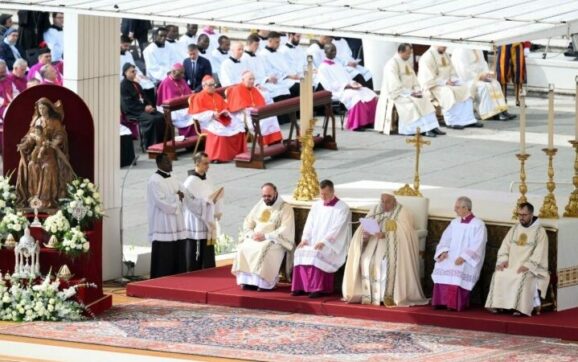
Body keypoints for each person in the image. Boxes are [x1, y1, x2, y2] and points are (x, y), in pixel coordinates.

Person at [343, 192, 428, 306]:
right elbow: (365, 224)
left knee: (383, 263)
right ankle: (370, 296)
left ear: (394, 201)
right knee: (365, 260)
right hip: (373, 244)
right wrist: (365, 233)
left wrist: (386, 234)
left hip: (394, 246)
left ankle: (386, 296)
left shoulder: (403, 212)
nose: (384, 204)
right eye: (382, 201)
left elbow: (408, 232)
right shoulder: (376, 209)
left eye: (387, 202)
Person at [485, 202, 549, 316]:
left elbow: (540, 253)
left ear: (531, 214)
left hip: (531, 268)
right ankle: (499, 305)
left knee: (522, 277)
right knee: (499, 274)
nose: (521, 217)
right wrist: (503, 260)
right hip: (511, 265)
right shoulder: (514, 229)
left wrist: (528, 266)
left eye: (524, 215)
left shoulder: (540, 232)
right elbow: (504, 246)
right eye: (519, 214)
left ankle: (520, 308)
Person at [292, 180, 350, 298]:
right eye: (321, 194)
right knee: (299, 251)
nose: (323, 197)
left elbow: (337, 228)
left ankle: (316, 288)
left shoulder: (342, 207)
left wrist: (324, 242)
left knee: (316, 254)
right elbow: (309, 223)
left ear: (333, 191)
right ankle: (301, 286)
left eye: (326, 194)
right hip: (314, 241)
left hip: (331, 244)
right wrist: (305, 239)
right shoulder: (316, 205)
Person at [232, 182, 295, 290]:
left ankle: (263, 283)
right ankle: (247, 281)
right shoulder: (260, 204)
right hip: (256, 237)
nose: (266, 198)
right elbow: (248, 222)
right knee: (243, 247)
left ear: (275, 193)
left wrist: (266, 236)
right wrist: (251, 234)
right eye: (264, 196)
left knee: (263, 249)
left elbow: (285, 228)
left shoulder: (285, 208)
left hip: (273, 239)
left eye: (269, 196)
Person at [15, 97, 75, 208]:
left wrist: (56, 141)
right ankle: (34, 198)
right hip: (37, 153)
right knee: (32, 165)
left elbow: (60, 134)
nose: (41, 110)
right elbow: (30, 137)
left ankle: (47, 200)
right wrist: (24, 144)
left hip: (50, 153)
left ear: (48, 108)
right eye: (39, 108)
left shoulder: (55, 122)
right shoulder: (36, 121)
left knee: (48, 168)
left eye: (43, 108)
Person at [374, 44, 444, 137]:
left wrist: (417, 90)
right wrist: (409, 93)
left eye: (410, 54)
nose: (409, 56)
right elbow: (393, 84)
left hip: (409, 92)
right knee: (413, 104)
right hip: (397, 94)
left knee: (425, 99)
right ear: (401, 52)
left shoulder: (405, 62)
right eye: (407, 54)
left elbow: (413, 79)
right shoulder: (391, 64)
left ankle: (432, 126)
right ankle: (422, 129)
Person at [431, 196, 487, 311]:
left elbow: (478, 244)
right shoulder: (454, 222)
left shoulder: (478, 224)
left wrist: (464, 257)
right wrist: (443, 252)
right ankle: (440, 301)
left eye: (457, 207)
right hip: (451, 255)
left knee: (459, 267)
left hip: (467, 258)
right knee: (442, 264)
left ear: (465, 208)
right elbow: (445, 239)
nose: (455, 209)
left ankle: (453, 303)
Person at [147, 153, 198, 279]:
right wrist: (177, 197)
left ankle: (178, 275)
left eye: (170, 161)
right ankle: (162, 277)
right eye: (167, 162)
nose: (170, 164)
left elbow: (184, 190)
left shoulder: (173, 176)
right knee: (166, 251)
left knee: (178, 247)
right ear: (159, 164)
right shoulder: (154, 181)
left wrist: (195, 197)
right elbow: (161, 202)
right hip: (163, 222)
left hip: (176, 220)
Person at [418, 46, 481, 129]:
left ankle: (468, 120)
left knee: (465, 88)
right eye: (443, 47)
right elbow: (428, 78)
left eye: (446, 47)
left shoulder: (445, 54)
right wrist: (444, 82)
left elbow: (452, 71)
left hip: (449, 83)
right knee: (448, 92)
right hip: (435, 86)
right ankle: (452, 121)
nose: (445, 49)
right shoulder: (427, 57)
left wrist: (454, 80)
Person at [318, 43, 377, 131]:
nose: (334, 52)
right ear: (325, 52)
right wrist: (346, 85)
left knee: (369, 92)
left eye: (335, 50)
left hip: (348, 87)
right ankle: (357, 124)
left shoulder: (337, 64)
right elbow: (328, 86)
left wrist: (354, 83)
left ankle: (369, 121)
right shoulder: (322, 68)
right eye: (332, 50)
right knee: (356, 96)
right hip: (338, 92)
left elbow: (347, 77)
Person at [188, 75, 246, 162]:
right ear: (203, 86)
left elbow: (225, 107)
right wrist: (212, 114)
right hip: (207, 122)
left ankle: (238, 153)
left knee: (238, 126)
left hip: (221, 119)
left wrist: (225, 112)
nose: (212, 87)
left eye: (213, 85)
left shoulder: (217, 96)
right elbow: (197, 115)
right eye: (210, 85)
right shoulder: (198, 97)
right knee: (220, 130)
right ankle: (218, 157)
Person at [182, 152, 222, 270]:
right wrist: (206, 205)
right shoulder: (189, 182)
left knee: (207, 245)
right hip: (196, 218)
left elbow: (211, 195)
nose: (208, 166)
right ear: (197, 163)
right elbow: (189, 202)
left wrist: (215, 200)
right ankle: (192, 269)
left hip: (207, 216)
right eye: (205, 164)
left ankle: (208, 267)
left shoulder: (208, 178)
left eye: (208, 163)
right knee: (193, 244)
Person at [451, 48, 515, 121]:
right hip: (468, 80)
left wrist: (487, 73)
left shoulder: (477, 48)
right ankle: (487, 113)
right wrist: (479, 76)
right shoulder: (461, 50)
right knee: (485, 86)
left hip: (480, 77)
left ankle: (501, 110)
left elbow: (483, 63)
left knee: (495, 83)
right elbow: (463, 70)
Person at [227, 71, 283, 145]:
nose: (252, 81)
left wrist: (263, 91)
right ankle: (265, 143)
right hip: (245, 115)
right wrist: (252, 110)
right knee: (262, 122)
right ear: (243, 80)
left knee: (272, 118)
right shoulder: (237, 89)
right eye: (250, 79)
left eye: (253, 79)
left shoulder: (254, 89)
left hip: (257, 112)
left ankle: (276, 141)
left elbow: (262, 102)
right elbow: (238, 107)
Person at [120, 63, 165, 149]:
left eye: (135, 71)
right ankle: (150, 144)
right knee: (152, 119)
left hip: (144, 109)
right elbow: (128, 103)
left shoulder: (136, 84)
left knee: (161, 116)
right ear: (125, 73)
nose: (134, 73)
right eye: (132, 71)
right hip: (134, 111)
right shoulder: (123, 85)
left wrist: (149, 106)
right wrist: (144, 108)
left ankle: (162, 142)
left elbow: (145, 97)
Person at [242, 34, 291, 100]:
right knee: (268, 94)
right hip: (255, 84)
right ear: (249, 44)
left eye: (258, 45)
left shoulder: (259, 57)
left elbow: (265, 71)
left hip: (264, 81)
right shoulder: (243, 58)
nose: (257, 47)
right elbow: (246, 76)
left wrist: (269, 78)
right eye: (255, 45)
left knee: (284, 90)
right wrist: (257, 84)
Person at [156, 63, 195, 137]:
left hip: (184, 106)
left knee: (194, 113)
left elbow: (188, 92)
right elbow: (164, 101)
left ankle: (193, 141)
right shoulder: (165, 83)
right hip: (173, 109)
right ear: (173, 72)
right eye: (181, 73)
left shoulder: (182, 80)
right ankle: (186, 138)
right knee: (188, 115)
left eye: (183, 73)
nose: (183, 75)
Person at [258, 32, 300, 98]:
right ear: (270, 41)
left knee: (303, 84)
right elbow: (269, 72)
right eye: (277, 42)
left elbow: (286, 68)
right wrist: (287, 76)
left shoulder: (279, 53)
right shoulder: (263, 55)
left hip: (285, 79)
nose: (279, 44)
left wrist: (292, 75)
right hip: (277, 81)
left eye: (279, 42)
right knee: (297, 87)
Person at [120, 35, 155, 103]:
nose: (127, 48)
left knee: (149, 83)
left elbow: (134, 66)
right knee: (138, 86)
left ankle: (151, 105)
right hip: (124, 79)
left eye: (128, 46)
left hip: (133, 76)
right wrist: (132, 78)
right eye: (125, 46)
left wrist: (140, 75)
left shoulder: (128, 54)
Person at [496, 42, 530, 106]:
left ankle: (519, 99)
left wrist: (526, 45)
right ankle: (503, 98)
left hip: (518, 41)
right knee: (503, 71)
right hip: (504, 41)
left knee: (519, 72)